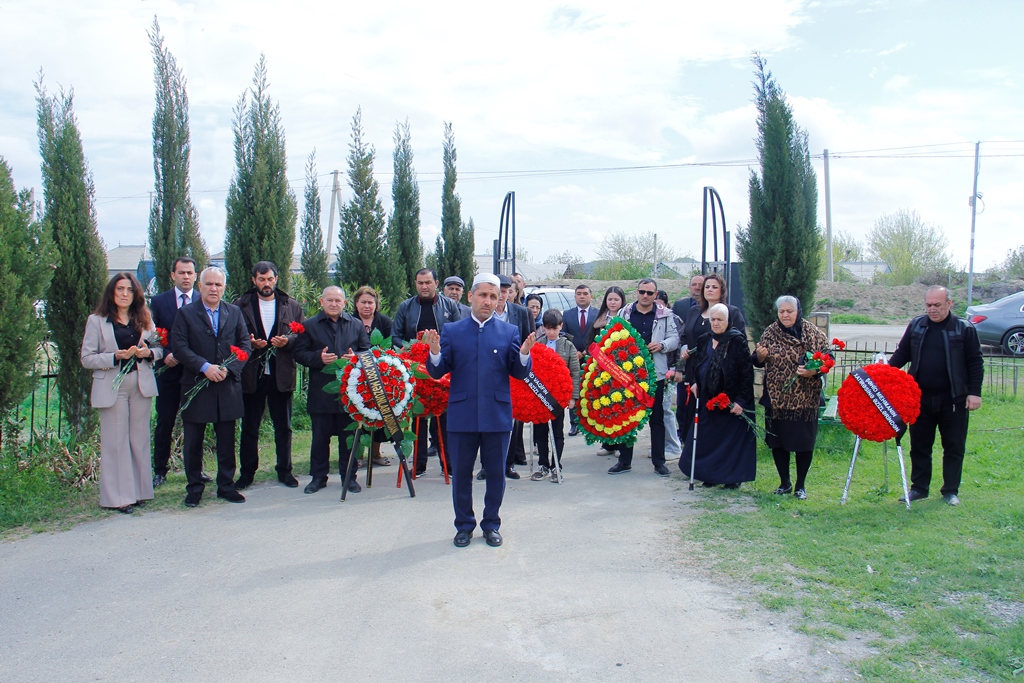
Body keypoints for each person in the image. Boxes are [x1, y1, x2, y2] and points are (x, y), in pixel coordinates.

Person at [424, 273, 535, 548]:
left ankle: (491, 524)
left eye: (493, 296)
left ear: (500, 300)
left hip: (496, 415)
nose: (488, 301)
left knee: (496, 473)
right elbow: (438, 370)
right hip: (461, 415)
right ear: (471, 296)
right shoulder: (453, 331)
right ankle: (463, 526)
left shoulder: (508, 331)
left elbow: (518, 372)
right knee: (461, 474)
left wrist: (523, 353)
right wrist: (435, 350)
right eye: (483, 295)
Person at [888, 285, 983, 506]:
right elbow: (902, 354)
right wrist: (882, 375)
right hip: (920, 400)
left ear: (949, 304)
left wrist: (974, 393)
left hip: (954, 400)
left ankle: (950, 490)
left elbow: (975, 362)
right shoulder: (917, 326)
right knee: (919, 446)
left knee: (953, 446)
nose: (932, 309)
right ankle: (919, 488)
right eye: (929, 305)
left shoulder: (964, 329)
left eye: (937, 305)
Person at [81, 272, 163, 513]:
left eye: (129, 289)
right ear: (112, 293)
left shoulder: (145, 319)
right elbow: (87, 358)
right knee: (116, 442)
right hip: (113, 386)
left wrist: (148, 354)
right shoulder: (97, 321)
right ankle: (118, 497)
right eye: (120, 289)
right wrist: (114, 356)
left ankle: (139, 492)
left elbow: (159, 349)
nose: (124, 294)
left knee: (139, 440)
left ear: (136, 294)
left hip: (140, 384)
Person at [171, 267, 252, 507]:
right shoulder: (186, 314)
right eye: (209, 284)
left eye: (218, 285)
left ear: (224, 288)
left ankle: (226, 485)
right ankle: (194, 487)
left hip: (226, 387)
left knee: (227, 440)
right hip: (196, 384)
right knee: (193, 441)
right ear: (200, 286)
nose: (213, 289)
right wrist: (205, 366)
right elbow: (179, 347)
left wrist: (229, 368)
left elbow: (245, 345)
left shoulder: (234, 312)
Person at [293, 286, 371, 494]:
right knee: (320, 438)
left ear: (345, 303)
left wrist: (355, 358)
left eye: (338, 300)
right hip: (321, 392)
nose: (334, 304)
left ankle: (349, 477)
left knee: (349, 438)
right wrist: (318, 358)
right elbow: (299, 353)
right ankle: (318, 477)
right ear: (322, 302)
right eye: (329, 300)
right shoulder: (309, 326)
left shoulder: (355, 325)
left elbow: (367, 351)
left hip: (349, 393)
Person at [234, 261, 305, 490]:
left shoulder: (290, 305)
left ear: (276, 279)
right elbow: (233, 336)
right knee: (250, 427)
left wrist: (288, 341)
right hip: (251, 375)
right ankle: (247, 473)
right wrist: (250, 343)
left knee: (283, 426)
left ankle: (285, 471)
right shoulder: (240, 305)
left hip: (280, 374)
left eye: (270, 279)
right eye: (261, 279)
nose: (266, 284)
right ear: (254, 280)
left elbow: (302, 336)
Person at [753, 295, 831, 500]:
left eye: (789, 311)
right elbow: (757, 360)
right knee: (779, 443)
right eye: (781, 312)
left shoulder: (813, 333)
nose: (785, 315)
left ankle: (800, 486)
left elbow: (828, 358)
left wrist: (813, 372)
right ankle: (784, 483)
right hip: (777, 398)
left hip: (804, 400)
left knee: (804, 443)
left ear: (798, 312)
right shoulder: (770, 332)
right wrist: (760, 356)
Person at [393, 268, 461, 476]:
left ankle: (448, 464)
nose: (424, 286)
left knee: (445, 418)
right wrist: (413, 348)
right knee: (418, 419)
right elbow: (395, 337)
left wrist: (439, 349)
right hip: (415, 371)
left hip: (443, 369)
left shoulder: (449, 306)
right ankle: (419, 463)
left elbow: (459, 334)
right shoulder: (406, 307)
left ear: (436, 283)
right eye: (420, 282)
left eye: (428, 282)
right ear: (415, 284)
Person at [679, 304, 756, 488]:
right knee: (710, 440)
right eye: (712, 319)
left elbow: (746, 373)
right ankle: (711, 475)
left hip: (730, 399)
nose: (715, 323)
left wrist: (741, 401)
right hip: (708, 398)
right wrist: (697, 382)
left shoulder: (737, 341)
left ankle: (731, 478)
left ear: (728, 321)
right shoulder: (705, 339)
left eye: (719, 319)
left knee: (730, 442)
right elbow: (700, 364)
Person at [609, 279, 679, 476]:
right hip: (628, 374)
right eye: (642, 292)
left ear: (656, 295)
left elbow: (675, 338)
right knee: (626, 417)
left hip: (654, 374)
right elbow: (613, 336)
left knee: (657, 419)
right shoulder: (625, 313)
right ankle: (624, 460)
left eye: (650, 293)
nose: (645, 296)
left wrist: (662, 345)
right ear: (636, 292)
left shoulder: (665, 315)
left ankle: (659, 462)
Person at [149, 257, 204, 488]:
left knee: (197, 422)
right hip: (169, 372)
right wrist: (165, 353)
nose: (186, 277)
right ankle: (160, 470)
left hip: (195, 373)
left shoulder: (204, 300)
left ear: (195, 276)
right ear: (173, 275)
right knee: (165, 422)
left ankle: (196, 470)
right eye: (181, 272)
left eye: (190, 273)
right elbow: (154, 335)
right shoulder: (159, 302)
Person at [679, 273, 746, 443]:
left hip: (721, 373)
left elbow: (740, 342)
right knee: (692, 416)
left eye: (714, 287)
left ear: (722, 290)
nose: (710, 290)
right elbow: (686, 335)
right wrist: (685, 348)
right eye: (707, 287)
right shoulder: (694, 311)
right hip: (695, 371)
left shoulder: (732, 312)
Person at [489, 274, 536, 479]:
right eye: (498, 291)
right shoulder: (484, 312)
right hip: (490, 373)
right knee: (488, 421)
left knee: (512, 422)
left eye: (506, 291)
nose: (502, 296)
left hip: (514, 372)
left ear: (511, 293)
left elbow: (529, 341)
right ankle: (487, 466)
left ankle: (508, 465)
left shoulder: (522, 312)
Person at [530, 309, 580, 481]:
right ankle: (543, 464)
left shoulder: (568, 346)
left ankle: (556, 464)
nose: (551, 332)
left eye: (555, 328)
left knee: (557, 433)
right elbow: (531, 370)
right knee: (540, 432)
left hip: (559, 398)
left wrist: (573, 397)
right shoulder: (538, 344)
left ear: (561, 326)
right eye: (548, 328)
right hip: (540, 396)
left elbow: (575, 372)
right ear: (543, 327)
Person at [352, 285, 393, 467]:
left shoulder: (384, 322)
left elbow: (392, 345)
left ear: (376, 304)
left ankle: (375, 453)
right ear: (356, 304)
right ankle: (358, 455)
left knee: (378, 416)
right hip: (355, 376)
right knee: (358, 415)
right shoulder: (349, 321)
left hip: (380, 375)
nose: (367, 306)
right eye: (363, 302)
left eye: (370, 302)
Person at [585, 286, 626, 456]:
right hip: (602, 369)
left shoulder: (626, 317)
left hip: (622, 369)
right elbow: (590, 341)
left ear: (622, 301)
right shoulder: (599, 319)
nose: (613, 302)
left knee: (621, 406)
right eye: (610, 299)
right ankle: (608, 443)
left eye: (616, 299)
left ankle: (621, 443)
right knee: (604, 406)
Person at [562, 284, 599, 437]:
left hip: (593, 357)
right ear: (575, 296)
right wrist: (574, 351)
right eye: (579, 294)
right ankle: (574, 424)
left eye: (585, 293)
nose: (582, 296)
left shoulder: (598, 314)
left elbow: (601, 334)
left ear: (591, 296)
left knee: (592, 389)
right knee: (574, 389)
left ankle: (591, 423)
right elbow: (563, 333)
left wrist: (587, 350)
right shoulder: (567, 314)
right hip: (574, 357)